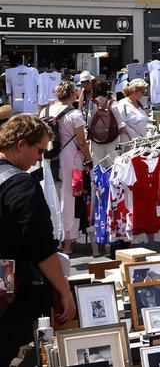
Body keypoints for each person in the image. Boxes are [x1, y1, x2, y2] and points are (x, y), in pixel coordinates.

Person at [0, 114, 75, 367]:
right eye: (39, 150)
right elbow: (42, 249)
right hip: (15, 299)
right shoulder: (21, 185)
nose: (40, 158)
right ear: (20, 146)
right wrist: (64, 291)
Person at [45, 81, 91, 252]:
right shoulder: (75, 114)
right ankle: (67, 242)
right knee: (69, 198)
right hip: (70, 158)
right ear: (72, 94)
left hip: (49, 157)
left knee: (51, 196)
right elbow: (81, 141)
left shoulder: (46, 110)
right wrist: (88, 160)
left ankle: (53, 238)